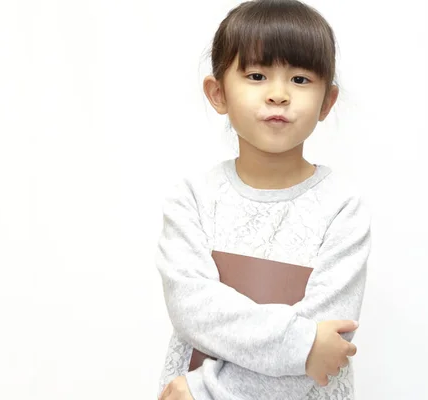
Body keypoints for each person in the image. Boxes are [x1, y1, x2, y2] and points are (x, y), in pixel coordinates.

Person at [155, 0, 372, 399]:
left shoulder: (342, 208)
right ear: (217, 93)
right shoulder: (193, 199)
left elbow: (327, 345)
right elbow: (194, 310)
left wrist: (207, 391)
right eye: (256, 75)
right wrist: (302, 346)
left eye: (300, 80)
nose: (278, 94)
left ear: (327, 101)